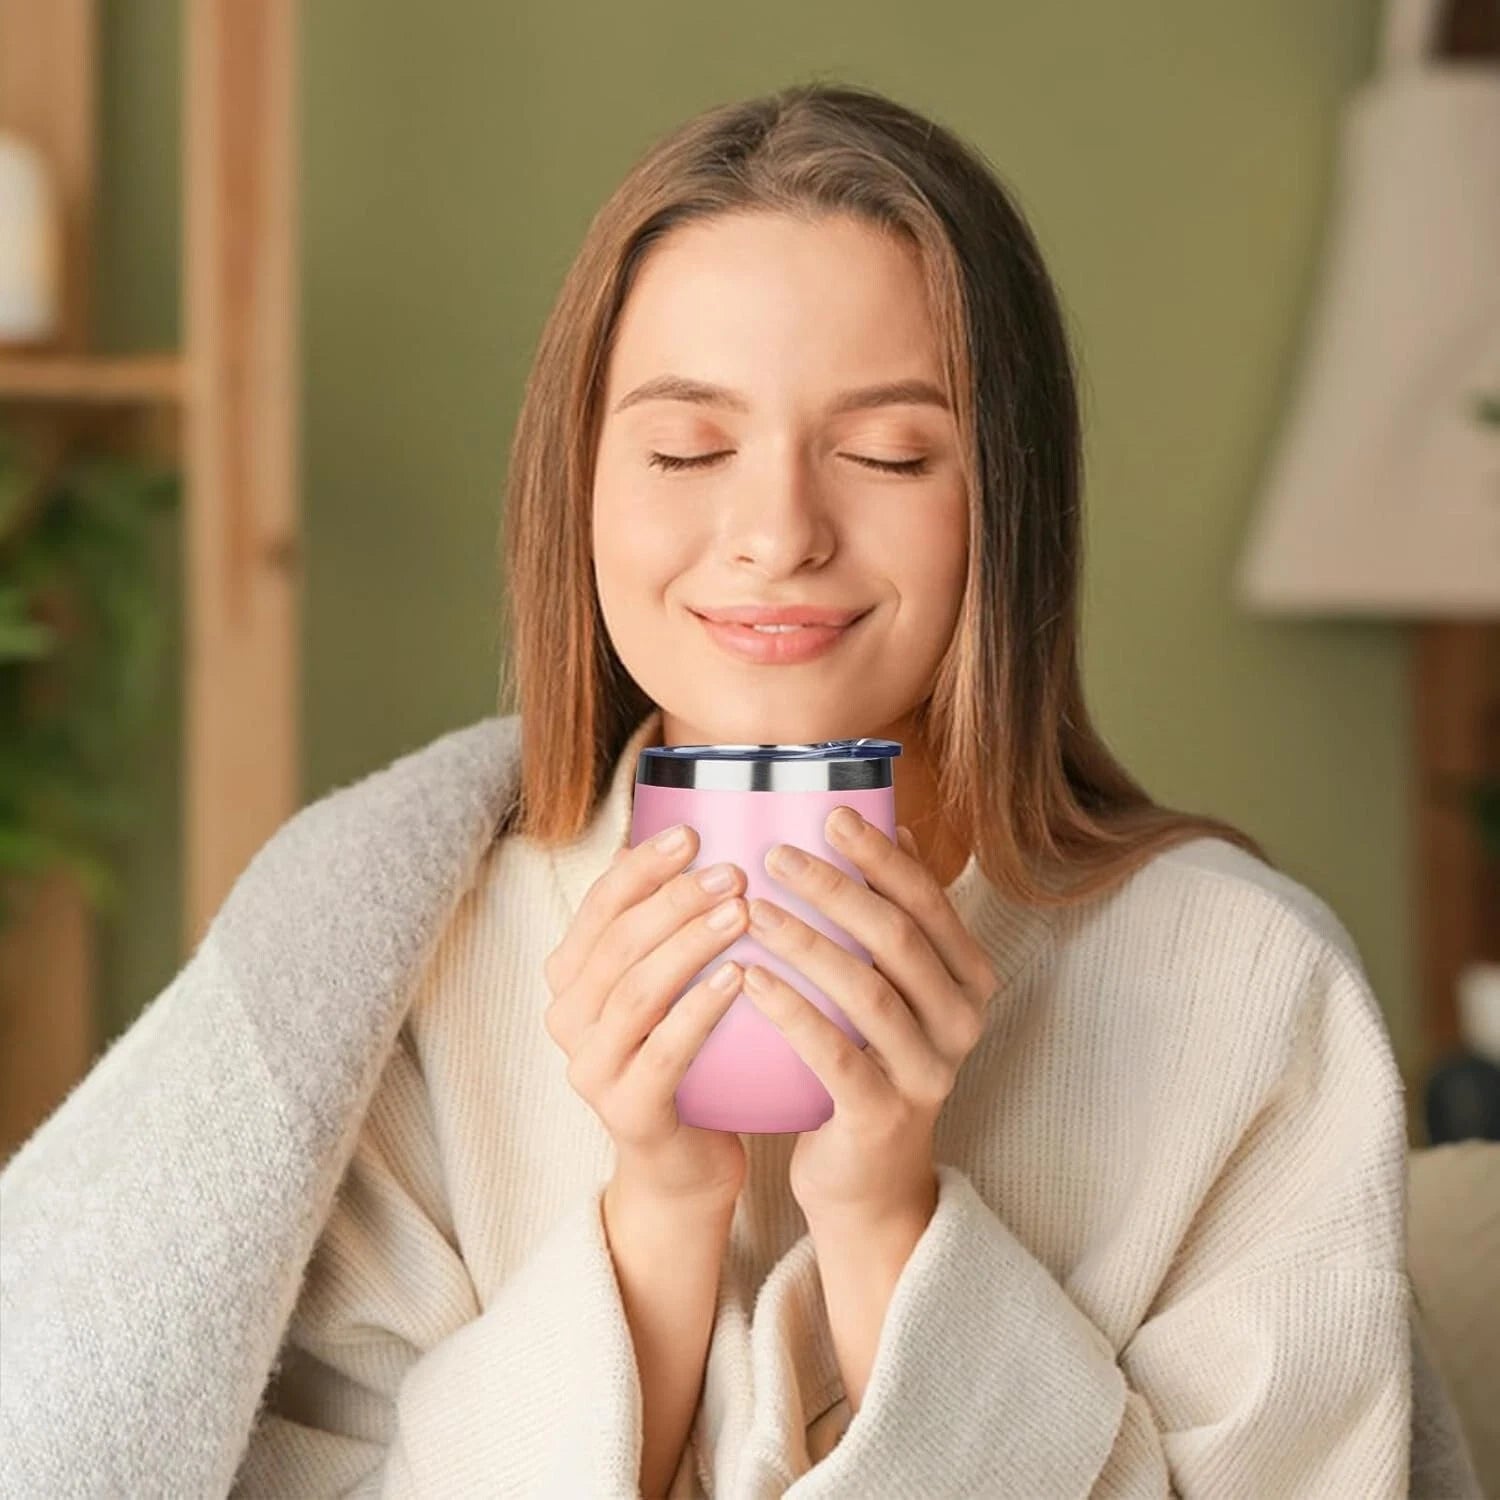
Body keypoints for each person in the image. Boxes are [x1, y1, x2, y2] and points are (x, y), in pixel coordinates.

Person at [1, 82, 1478, 1499]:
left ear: (1009, 504)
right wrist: (655, 1216)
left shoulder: (1246, 990)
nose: (775, 534)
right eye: (688, 447)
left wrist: (886, 1215)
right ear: (579, 484)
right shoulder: (404, 971)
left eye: (889, 451)